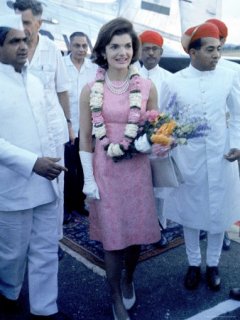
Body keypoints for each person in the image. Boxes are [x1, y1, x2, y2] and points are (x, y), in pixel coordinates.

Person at [79, 17, 160, 320]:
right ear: (103, 50)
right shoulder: (90, 89)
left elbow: (155, 130)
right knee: (113, 239)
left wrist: (155, 144)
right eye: (115, 46)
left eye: (127, 46)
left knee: (135, 236)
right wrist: (88, 180)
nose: (122, 52)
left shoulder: (147, 87)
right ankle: (114, 296)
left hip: (136, 171)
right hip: (105, 171)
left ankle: (129, 278)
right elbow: (85, 138)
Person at [160, 22, 240, 291]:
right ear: (192, 53)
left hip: (221, 156)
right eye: (210, 50)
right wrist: (165, 140)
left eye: (218, 49)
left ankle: (214, 263)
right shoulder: (174, 82)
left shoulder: (230, 75)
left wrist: (238, 144)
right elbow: (166, 121)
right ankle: (194, 264)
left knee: (218, 212)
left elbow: (239, 114)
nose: (216, 55)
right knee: (191, 213)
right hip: (189, 159)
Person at [0, 14, 69, 320]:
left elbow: (54, 128)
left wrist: (56, 164)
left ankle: (45, 309)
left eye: (24, 40)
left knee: (44, 248)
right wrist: (33, 163)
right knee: (12, 254)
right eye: (14, 41)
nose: (23, 46)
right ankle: (8, 293)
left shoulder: (38, 80)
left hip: (47, 180)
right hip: (12, 184)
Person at [13, 0, 73, 242]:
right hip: (20, 129)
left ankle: (54, 238)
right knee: (23, 180)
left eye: (26, 22)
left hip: (52, 129)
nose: (22, 28)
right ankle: (23, 238)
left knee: (56, 184)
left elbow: (62, 90)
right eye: (18, 22)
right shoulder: (7, 48)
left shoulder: (51, 49)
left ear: (38, 23)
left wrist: (69, 124)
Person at [206, 18, 240, 251]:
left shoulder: (233, 70)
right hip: (202, 139)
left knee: (225, 190)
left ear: (223, 41)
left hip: (227, 139)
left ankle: (223, 233)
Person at [138, 30, 171, 248]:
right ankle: (137, 229)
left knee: (160, 189)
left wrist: (166, 136)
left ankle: (159, 227)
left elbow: (173, 111)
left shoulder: (170, 79)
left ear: (161, 52)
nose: (150, 53)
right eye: (146, 48)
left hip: (161, 142)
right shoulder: (129, 75)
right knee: (136, 188)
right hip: (134, 142)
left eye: (154, 49)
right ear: (139, 50)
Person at [63, 32, 97, 222]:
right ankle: (67, 207)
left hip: (86, 128)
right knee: (68, 169)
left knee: (85, 167)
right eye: (77, 45)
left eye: (84, 46)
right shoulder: (61, 65)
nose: (81, 50)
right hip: (66, 125)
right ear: (70, 46)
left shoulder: (93, 69)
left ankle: (79, 203)